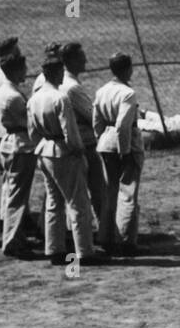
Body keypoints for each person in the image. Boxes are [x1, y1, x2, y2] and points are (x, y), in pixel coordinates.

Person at [30, 49, 103, 266]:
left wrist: (41, 147)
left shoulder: (35, 98)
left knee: (54, 202)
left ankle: (54, 248)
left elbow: (32, 131)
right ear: (57, 73)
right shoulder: (60, 97)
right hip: (64, 151)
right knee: (78, 202)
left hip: (44, 150)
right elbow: (69, 129)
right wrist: (78, 150)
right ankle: (85, 251)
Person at [92, 51, 143, 256]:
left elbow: (97, 120)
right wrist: (125, 150)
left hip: (105, 141)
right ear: (126, 69)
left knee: (109, 192)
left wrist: (102, 138)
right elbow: (123, 124)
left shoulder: (102, 90)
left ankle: (105, 236)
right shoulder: (127, 93)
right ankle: (126, 240)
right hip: (125, 143)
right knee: (128, 193)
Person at [0, 52, 38, 258]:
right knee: (17, 197)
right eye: (23, 69)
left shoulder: (6, 90)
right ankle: (12, 241)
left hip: (12, 144)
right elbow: (28, 122)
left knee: (15, 194)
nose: (26, 73)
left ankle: (15, 237)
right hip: (20, 146)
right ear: (14, 70)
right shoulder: (12, 95)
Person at [60, 42, 104, 231]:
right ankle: (103, 232)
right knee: (97, 190)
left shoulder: (63, 83)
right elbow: (91, 114)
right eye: (80, 57)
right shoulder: (72, 88)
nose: (85, 60)